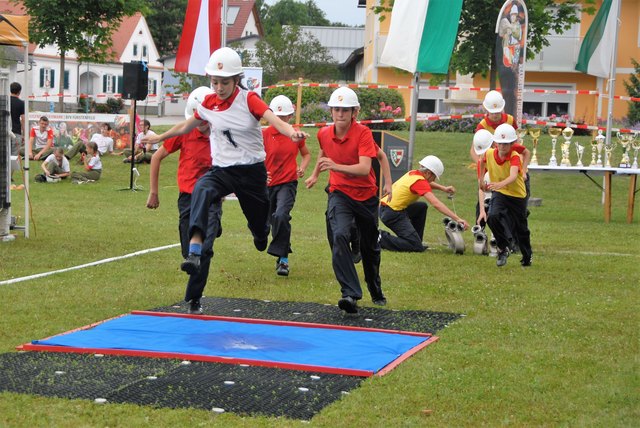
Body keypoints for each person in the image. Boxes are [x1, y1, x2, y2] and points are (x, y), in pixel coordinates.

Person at [141, 47, 307, 276]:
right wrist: (160, 137)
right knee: (202, 187)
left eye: (224, 83)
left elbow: (273, 119)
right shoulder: (209, 103)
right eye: (215, 82)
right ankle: (195, 249)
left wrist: (291, 133)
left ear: (236, 80)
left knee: (259, 225)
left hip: (251, 171)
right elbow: (185, 126)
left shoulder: (249, 99)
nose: (219, 88)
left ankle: (260, 234)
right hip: (223, 170)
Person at [304, 87, 387, 314]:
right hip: (339, 192)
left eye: (345, 110)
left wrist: (334, 166)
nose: (340, 114)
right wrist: (314, 175)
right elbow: (323, 154)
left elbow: (364, 168)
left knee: (370, 248)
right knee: (339, 235)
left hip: (366, 196)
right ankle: (349, 294)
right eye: (336, 109)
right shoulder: (324, 133)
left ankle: (375, 287)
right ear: (331, 112)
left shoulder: (363, 134)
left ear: (354, 112)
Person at [147, 87, 222, 314]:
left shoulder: (222, 134)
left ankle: (194, 298)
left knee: (203, 251)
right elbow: (157, 157)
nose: (201, 125)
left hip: (211, 198)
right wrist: (154, 192)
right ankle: (211, 231)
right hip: (187, 198)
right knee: (189, 253)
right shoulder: (184, 133)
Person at [263, 95, 311, 276]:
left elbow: (306, 155)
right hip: (267, 185)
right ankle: (271, 243)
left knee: (281, 215)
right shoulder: (265, 134)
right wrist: (261, 174)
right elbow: (255, 157)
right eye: (279, 117)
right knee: (267, 223)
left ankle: (283, 260)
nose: (283, 121)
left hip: (288, 183)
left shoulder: (295, 134)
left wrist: (302, 168)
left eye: (286, 117)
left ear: (291, 117)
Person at [379, 155, 468, 252]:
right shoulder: (419, 182)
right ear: (428, 173)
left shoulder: (413, 174)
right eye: (434, 176)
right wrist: (457, 219)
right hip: (392, 213)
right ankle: (379, 237)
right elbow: (436, 203)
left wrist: (443, 188)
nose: (433, 180)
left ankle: (417, 240)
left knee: (421, 207)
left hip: (386, 208)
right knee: (414, 246)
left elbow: (426, 183)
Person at [478, 123, 532, 267]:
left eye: (507, 144)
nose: (503, 147)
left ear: (512, 143)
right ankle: (503, 248)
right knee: (493, 216)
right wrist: (481, 180)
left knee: (521, 228)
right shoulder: (489, 153)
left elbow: (513, 175)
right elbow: (481, 162)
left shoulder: (514, 156)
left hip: (517, 196)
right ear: (495, 143)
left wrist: (501, 183)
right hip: (500, 193)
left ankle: (527, 256)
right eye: (500, 143)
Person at [10, 82, 24, 158]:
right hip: (16, 132)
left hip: (4, 131)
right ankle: (10, 170)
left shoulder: (5, 101)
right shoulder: (21, 103)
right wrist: (24, 134)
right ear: (19, 91)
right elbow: (23, 119)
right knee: (14, 156)